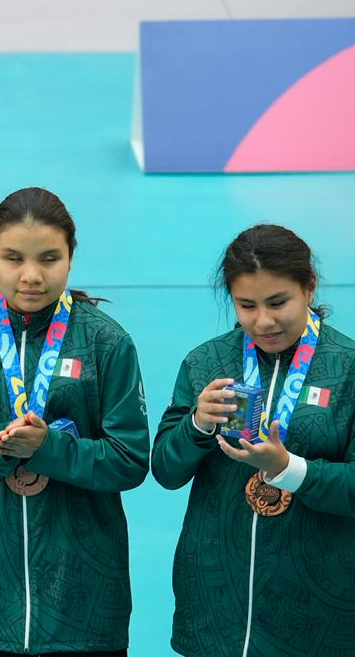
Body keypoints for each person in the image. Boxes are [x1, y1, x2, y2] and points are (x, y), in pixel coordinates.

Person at [0, 187, 149, 656]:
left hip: (83, 603)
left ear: (71, 256)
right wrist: (4, 442)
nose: (31, 276)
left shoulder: (106, 343)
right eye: (13, 258)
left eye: (49, 259)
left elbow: (129, 460)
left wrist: (48, 449)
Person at [152, 224, 355, 657]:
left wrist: (289, 470)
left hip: (315, 619)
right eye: (246, 305)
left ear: (309, 287)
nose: (263, 321)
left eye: (278, 302)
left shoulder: (349, 370)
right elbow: (165, 470)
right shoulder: (206, 362)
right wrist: (197, 425)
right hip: (213, 614)